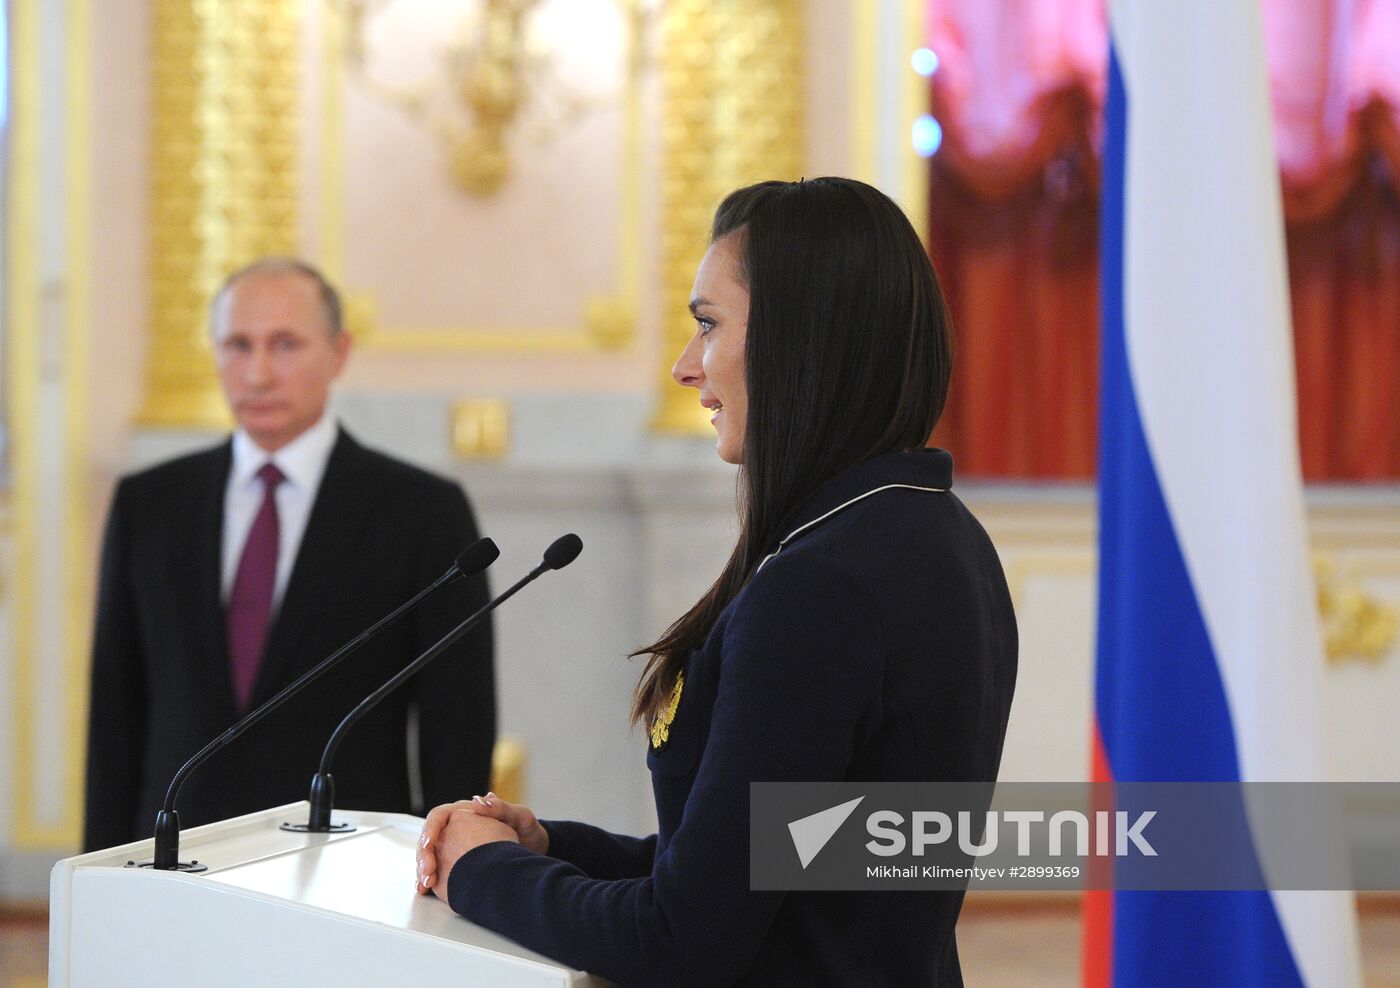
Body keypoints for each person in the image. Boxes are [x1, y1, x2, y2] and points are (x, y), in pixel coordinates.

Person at [416, 178, 1017, 985]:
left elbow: (681, 940)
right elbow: (783, 870)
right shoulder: (930, 531)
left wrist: (478, 872)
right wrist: (551, 848)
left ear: (802, 339)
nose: (683, 367)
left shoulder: (822, 587)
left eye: (708, 325)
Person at [83, 257, 496, 852]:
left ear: (339, 352)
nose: (257, 373)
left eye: (285, 345)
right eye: (237, 345)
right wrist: (97, 876)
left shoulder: (423, 511)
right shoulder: (149, 504)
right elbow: (115, 715)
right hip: (173, 857)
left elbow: (456, 724)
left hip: (346, 862)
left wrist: (442, 874)